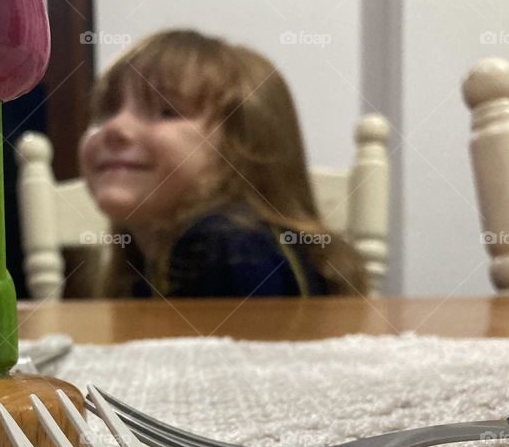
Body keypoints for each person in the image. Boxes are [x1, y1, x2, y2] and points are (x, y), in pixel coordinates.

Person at [78, 29, 366, 298]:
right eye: (106, 111)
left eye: (167, 111)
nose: (115, 128)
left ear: (243, 148)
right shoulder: (162, 255)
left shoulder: (227, 245)